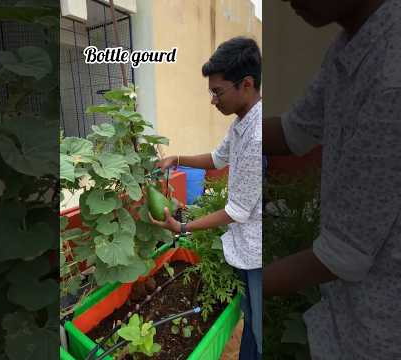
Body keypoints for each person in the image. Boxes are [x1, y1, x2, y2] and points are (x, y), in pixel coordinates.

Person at [264, 0, 401, 359]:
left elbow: (342, 255)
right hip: (346, 313)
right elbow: (295, 131)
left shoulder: (392, 77)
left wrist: (239, 281)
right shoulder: (350, 44)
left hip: (381, 333)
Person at [150, 36, 263, 360]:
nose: (213, 100)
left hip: (257, 252)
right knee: (252, 317)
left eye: (218, 92)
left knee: (258, 324)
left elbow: (237, 210)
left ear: (246, 84)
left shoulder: (257, 137)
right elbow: (216, 158)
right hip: (244, 246)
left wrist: (183, 228)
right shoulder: (242, 123)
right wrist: (177, 158)